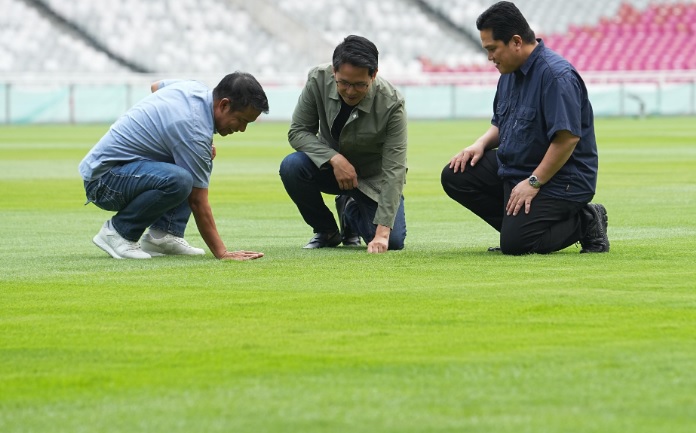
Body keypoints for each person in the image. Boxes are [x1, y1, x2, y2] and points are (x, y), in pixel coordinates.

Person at [441, 1, 609, 255]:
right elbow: (501, 123)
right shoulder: (508, 73)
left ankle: (587, 220)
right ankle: (518, 227)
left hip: (562, 178)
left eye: (492, 49)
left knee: (518, 245)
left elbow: (566, 139)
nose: (490, 57)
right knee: (456, 175)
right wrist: (480, 144)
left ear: (517, 42)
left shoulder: (555, 76)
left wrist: (533, 182)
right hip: (517, 167)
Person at [79, 72, 269, 260]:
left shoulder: (195, 89)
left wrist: (166, 133)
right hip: (104, 183)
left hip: (117, 171)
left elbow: (156, 86)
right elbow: (197, 201)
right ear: (224, 104)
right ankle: (118, 233)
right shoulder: (193, 129)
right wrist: (222, 253)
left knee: (194, 161)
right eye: (242, 120)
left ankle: (163, 236)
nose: (242, 129)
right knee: (182, 179)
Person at [279, 35, 408, 254]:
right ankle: (327, 231)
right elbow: (298, 132)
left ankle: (350, 208)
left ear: (374, 75)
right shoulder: (317, 79)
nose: (350, 91)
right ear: (334, 72)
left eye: (360, 85)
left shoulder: (393, 103)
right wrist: (334, 158)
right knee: (292, 166)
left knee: (393, 243)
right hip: (330, 169)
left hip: (371, 179)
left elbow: (395, 169)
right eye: (344, 83)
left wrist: (383, 234)